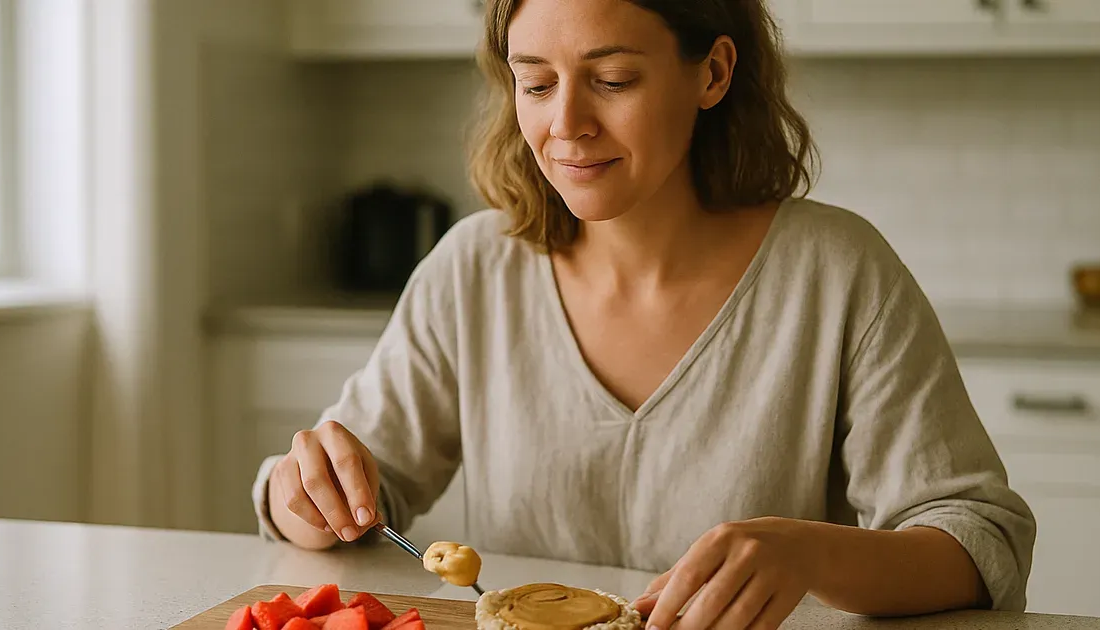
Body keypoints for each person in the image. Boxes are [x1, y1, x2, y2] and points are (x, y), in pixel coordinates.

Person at [251, 0, 1037, 628]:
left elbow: (978, 539)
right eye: (535, 83)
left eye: (614, 78)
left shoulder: (837, 270)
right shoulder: (474, 267)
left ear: (714, 73)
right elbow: (343, 502)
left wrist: (810, 555)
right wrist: (307, 492)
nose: (565, 125)